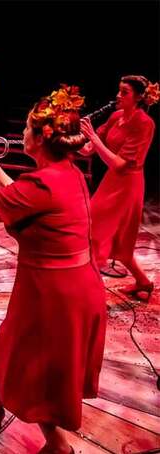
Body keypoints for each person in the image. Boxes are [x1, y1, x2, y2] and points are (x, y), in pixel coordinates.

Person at [0, 85, 107, 454]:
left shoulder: (43, 183)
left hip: (55, 294)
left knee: (37, 371)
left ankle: (58, 445)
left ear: (40, 138)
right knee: (12, 342)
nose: (19, 133)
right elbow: (15, 195)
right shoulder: (64, 173)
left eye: (25, 128)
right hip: (65, 284)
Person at [80, 75, 158, 301]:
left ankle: (89, 290)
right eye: (119, 91)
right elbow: (88, 149)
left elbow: (121, 164)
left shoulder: (144, 124)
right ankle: (143, 281)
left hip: (128, 185)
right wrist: (65, 138)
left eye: (124, 92)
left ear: (139, 97)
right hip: (112, 182)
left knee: (94, 232)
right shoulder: (116, 116)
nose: (118, 95)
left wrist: (93, 137)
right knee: (121, 244)